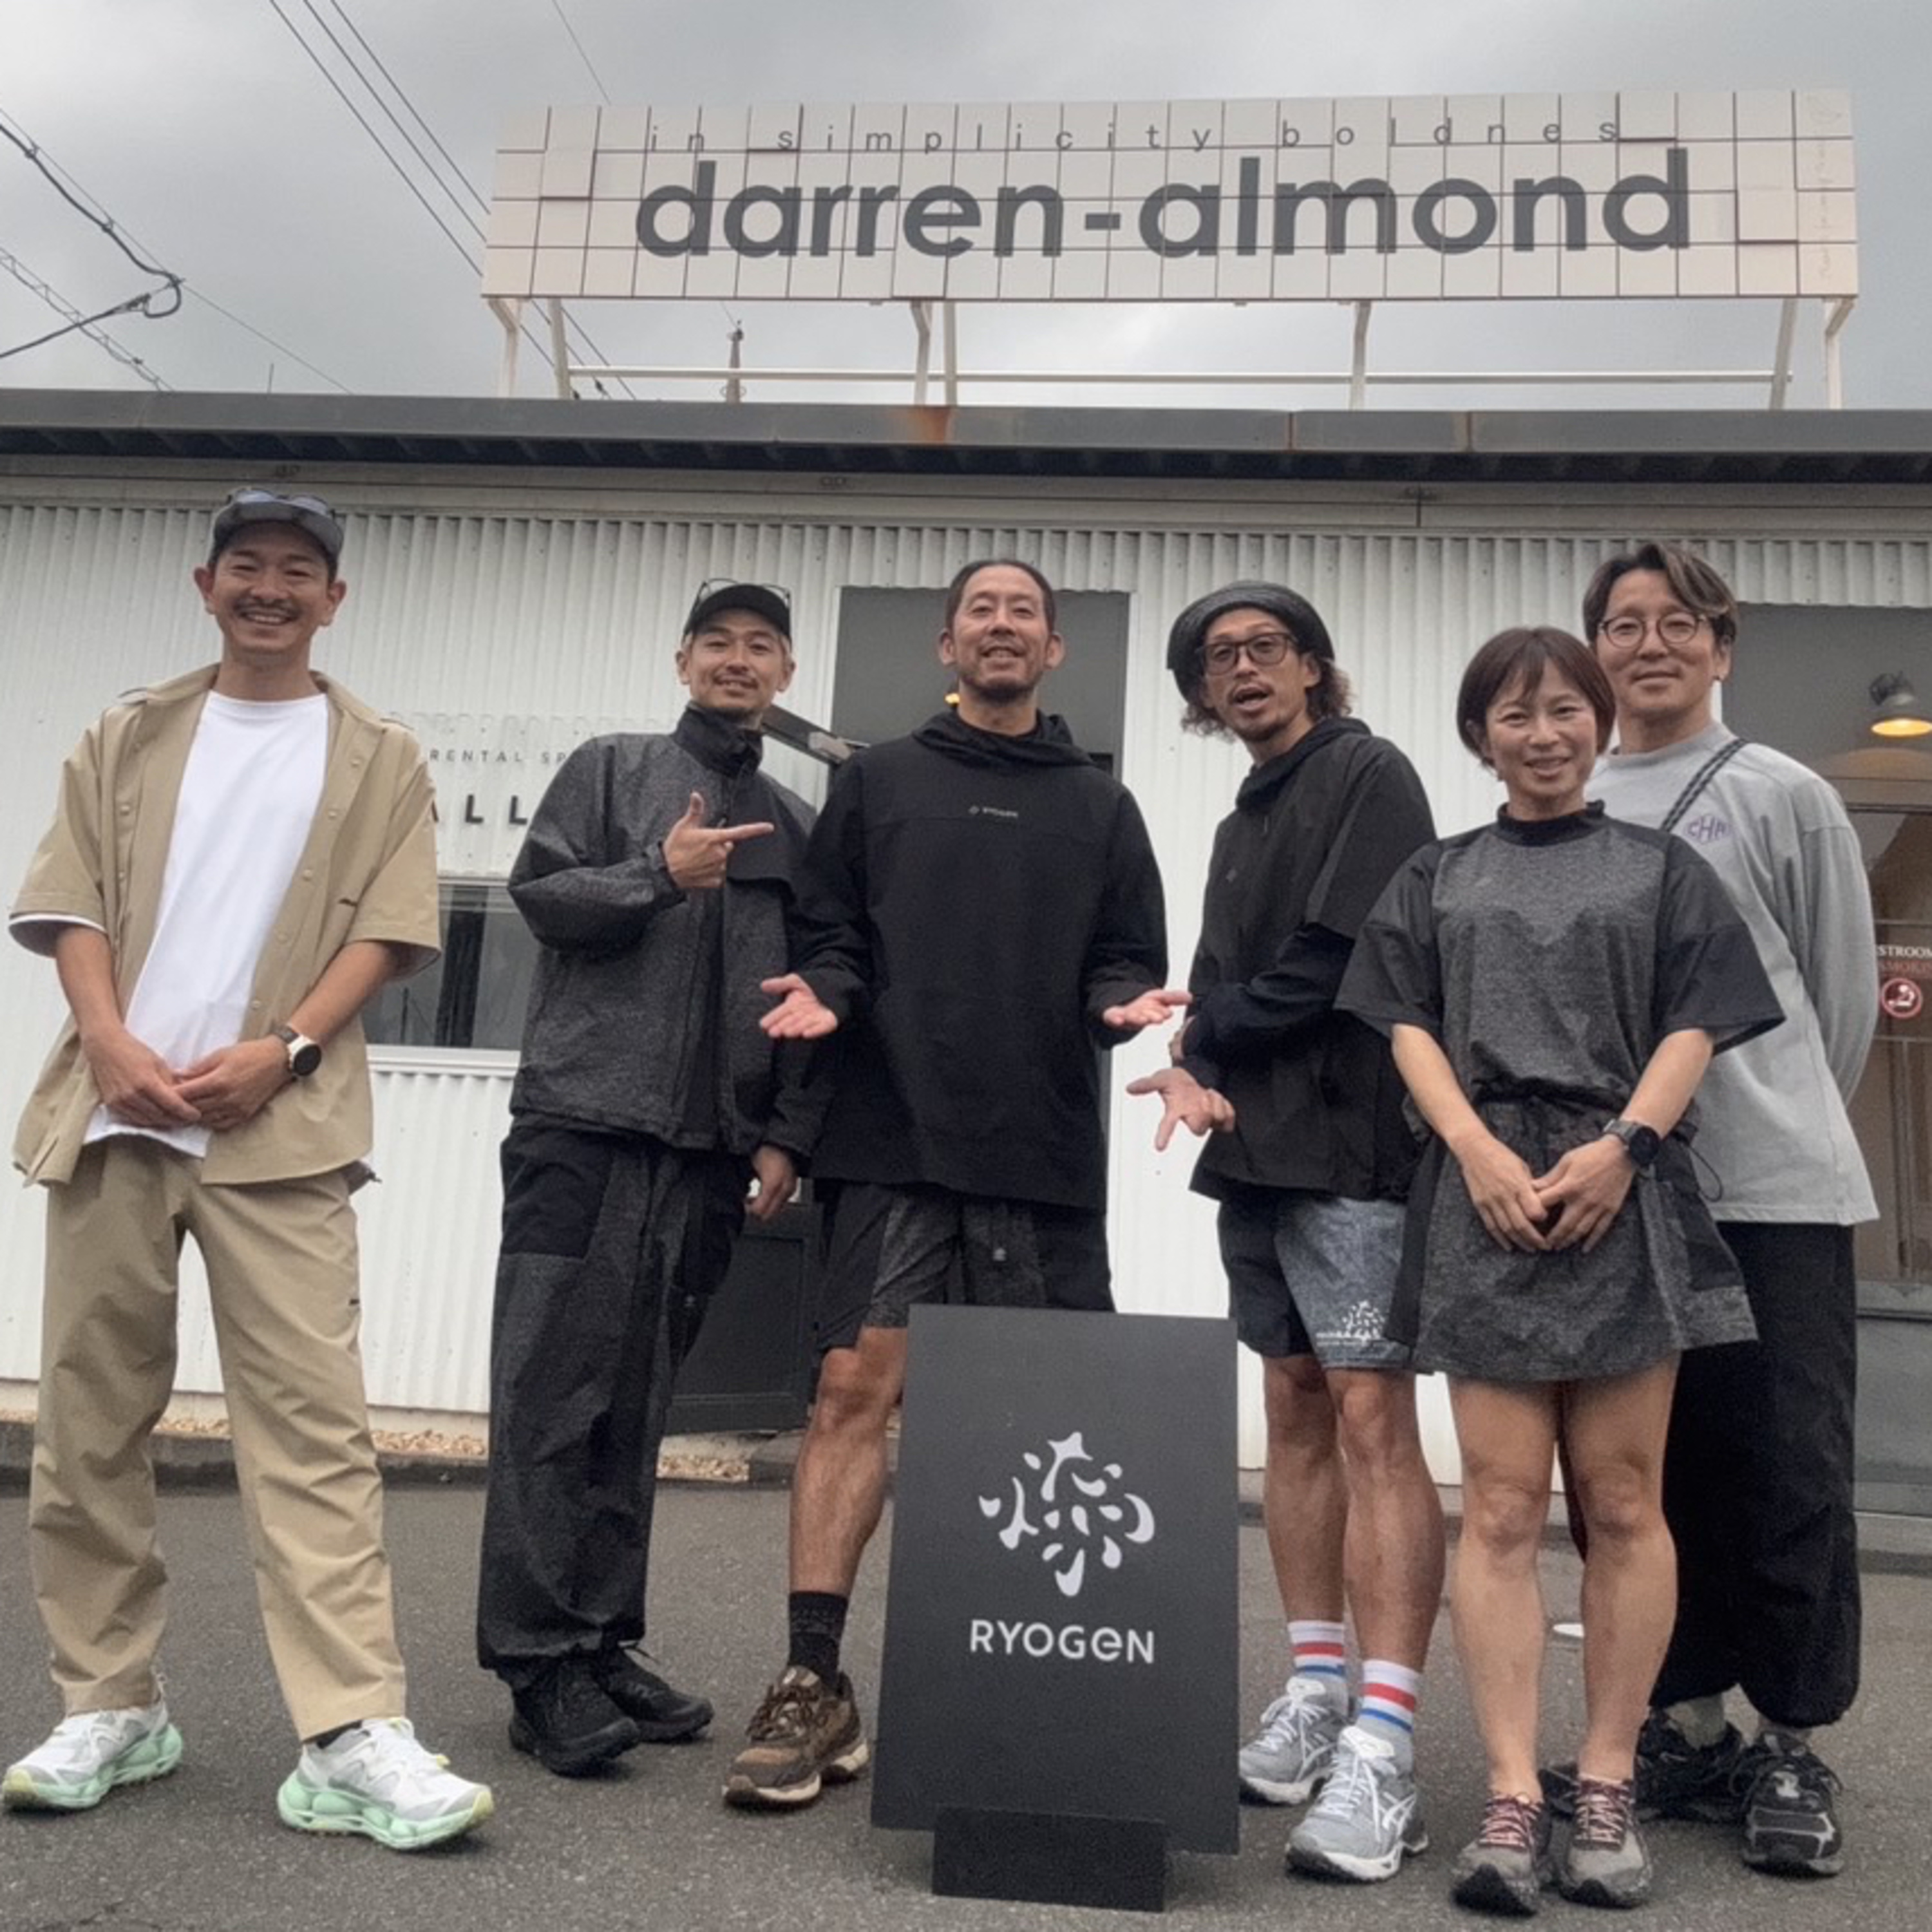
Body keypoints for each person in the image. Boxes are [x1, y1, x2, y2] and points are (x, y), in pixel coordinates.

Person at [3, 487, 491, 1850]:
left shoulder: (381, 753)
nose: (270, 588)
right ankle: (110, 1702)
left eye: (297, 571)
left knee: (313, 1432)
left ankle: (349, 1730)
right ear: (205, 584)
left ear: (335, 600)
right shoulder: (126, 732)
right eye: (247, 565)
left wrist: (287, 1047)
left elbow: (390, 929)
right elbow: (70, 903)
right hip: (119, 1113)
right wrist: (108, 1041)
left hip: (282, 1128)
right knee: (88, 1425)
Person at [1340, 626, 1781, 1913]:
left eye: (1566, 710)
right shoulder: (1439, 872)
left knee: (1626, 1498)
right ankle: (1510, 1794)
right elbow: (1405, 1024)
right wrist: (1473, 1150)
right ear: (1481, 737)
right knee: (1497, 1505)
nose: (1545, 734)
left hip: (1621, 1190)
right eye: (1516, 715)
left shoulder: (1663, 869)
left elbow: (1698, 1020)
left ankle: (1605, 1781)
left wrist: (1627, 1148)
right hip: (1483, 1193)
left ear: (1599, 722)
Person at [723, 559, 1174, 1810]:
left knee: (1045, 1426)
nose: (1002, 626)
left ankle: (1026, 1700)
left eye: (1024, 612)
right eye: (982, 609)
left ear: (1054, 649)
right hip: (893, 1139)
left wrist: (1123, 1005)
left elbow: (1127, 954)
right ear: (947, 644)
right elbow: (832, 935)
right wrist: (829, 993)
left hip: (1041, 1154)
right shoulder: (879, 782)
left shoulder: (1101, 804)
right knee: (849, 1393)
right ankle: (814, 1682)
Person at [475, 580, 820, 1776]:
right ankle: (537, 1666)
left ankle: (600, 1639)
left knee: (637, 1408)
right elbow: (541, 899)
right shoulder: (612, 768)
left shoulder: (791, 821)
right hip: (583, 1128)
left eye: (761, 645)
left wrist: (782, 1134)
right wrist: (658, 874)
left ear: (785, 675)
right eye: (717, 641)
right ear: (683, 660)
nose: (738, 660)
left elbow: (803, 995)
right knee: (549, 1398)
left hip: (710, 1152)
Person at [1131, 582, 1444, 1884]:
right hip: (1257, 1154)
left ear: (1314, 666)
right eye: (1218, 660)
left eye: (1265, 648)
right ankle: (1317, 1688)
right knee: (1296, 1408)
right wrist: (1193, 1066)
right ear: (1204, 698)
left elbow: (1334, 962)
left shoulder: (1369, 773)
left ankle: (1388, 1737)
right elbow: (1218, 983)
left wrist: (1203, 1033)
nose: (1243, 670)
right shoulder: (1238, 819)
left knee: (1373, 1418)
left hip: (1355, 1151)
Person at [1574, 543, 1877, 1877]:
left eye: (1679, 623)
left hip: (1772, 1194)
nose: (1651, 644)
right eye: (1624, 624)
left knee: (1788, 1466)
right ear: (1595, 649)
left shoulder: (1784, 794)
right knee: (1643, 1473)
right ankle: (1685, 1725)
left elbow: (1838, 1000)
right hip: (1616, 1196)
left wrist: (1774, 1119)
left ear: (1722, 646)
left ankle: (1792, 1737)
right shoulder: (1571, 793)